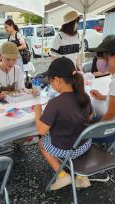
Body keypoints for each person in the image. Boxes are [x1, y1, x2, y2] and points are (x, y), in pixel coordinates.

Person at [34, 57, 93, 191]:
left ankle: (62, 175)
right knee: (73, 136)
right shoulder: (84, 96)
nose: (51, 85)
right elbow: (89, 117)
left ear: (57, 80)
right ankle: (81, 176)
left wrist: (38, 111)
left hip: (66, 149)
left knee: (41, 143)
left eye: (50, 82)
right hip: (84, 145)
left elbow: (41, 131)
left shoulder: (55, 103)